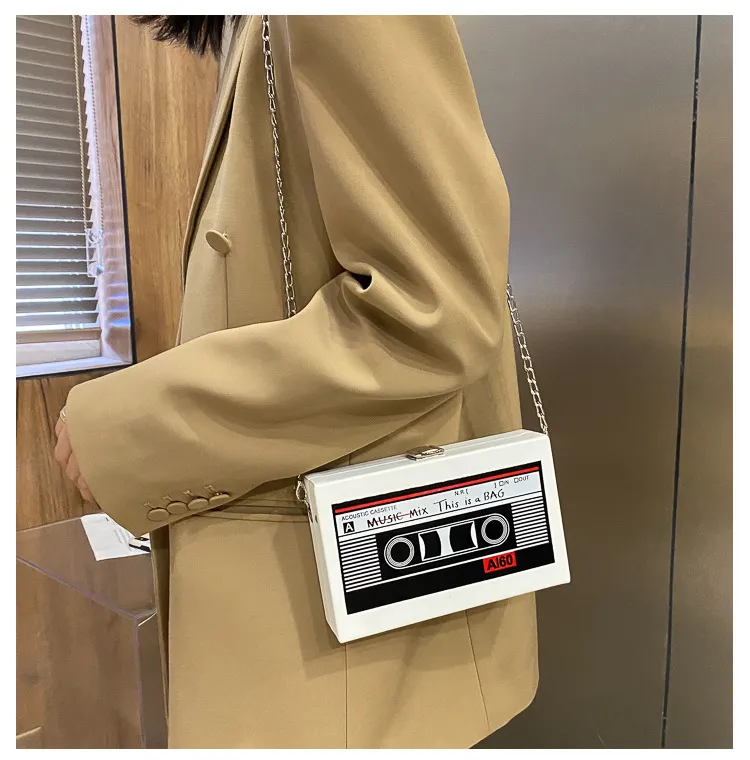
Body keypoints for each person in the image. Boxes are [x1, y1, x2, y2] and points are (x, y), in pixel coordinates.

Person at [54, 14, 538, 749]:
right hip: (326, 641)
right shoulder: (258, 28)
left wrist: (131, 430)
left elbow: (431, 313)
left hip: (335, 656)